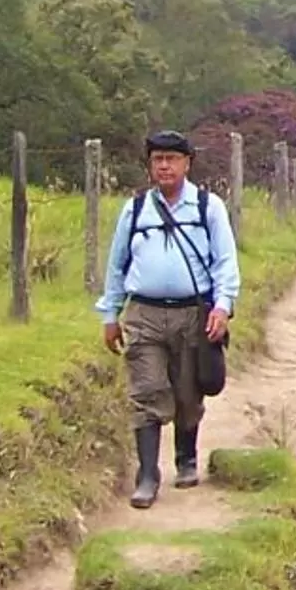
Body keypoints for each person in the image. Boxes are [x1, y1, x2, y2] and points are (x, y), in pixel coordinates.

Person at [94, 130, 239, 507]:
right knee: (146, 391)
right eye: (157, 159)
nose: (164, 166)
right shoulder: (136, 209)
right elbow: (116, 264)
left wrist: (222, 306)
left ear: (187, 163)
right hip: (144, 313)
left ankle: (186, 458)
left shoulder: (208, 207)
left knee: (188, 392)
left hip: (193, 313)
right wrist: (110, 313)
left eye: (171, 159)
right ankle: (146, 475)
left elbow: (225, 263)